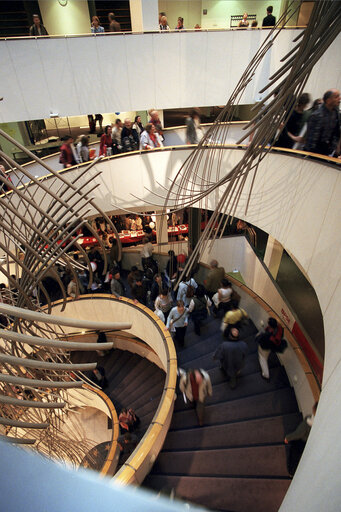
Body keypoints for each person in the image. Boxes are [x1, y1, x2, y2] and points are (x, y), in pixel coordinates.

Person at [284, 402, 318, 477]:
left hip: (301, 442)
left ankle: (292, 472)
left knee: (294, 455)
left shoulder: (307, 424)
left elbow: (298, 434)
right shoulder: (318, 423)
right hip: (306, 443)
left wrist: (288, 437)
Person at [304, 89, 340, 156]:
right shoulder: (317, 115)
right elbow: (311, 139)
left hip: (327, 152)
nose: (339, 98)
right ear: (328, 100)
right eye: (336, 97)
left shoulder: (335, 113)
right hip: (314, 153)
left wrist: (332, 149)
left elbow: (336, 133)